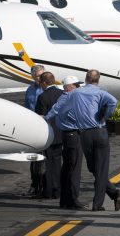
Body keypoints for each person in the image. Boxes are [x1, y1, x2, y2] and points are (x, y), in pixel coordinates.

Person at [70, 69, 120, 211]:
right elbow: (113, 101)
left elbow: (63, 107)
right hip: (100, 131)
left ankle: (100, 201)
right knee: (100, 169)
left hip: (85, 134)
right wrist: (105, 115)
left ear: (86, 79)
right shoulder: (100, 92)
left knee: (94, 168)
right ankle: (111, 193)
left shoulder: (76, 93)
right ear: (98, 80)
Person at [45, 75, 86, 210]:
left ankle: (65, 199)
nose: (78, 87)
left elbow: (54, 110)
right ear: (69, 87)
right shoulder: (69, 97)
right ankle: (73, 199)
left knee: (67, 168)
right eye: (76, 85)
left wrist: (45, 117)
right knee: (74, 169)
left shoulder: (64, 97)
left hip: (68, 135)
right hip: (73, 135)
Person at [35, 71, 63, 199]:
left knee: (47, 163)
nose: (39, 84)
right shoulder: (61, 94)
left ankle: (48, 190)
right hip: (61, 132)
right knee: (57, 163)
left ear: (45, 83)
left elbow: (39, 117)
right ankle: (57, 190)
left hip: (48, 134)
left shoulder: (43, 97)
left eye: (40, 82)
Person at [25, 64, 45, 197]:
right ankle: (34, 184)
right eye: (38, 76)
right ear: (33, 76)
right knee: (34, 158)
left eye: (42, 75)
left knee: (45, 158)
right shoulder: (29, 90)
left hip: (46, 125)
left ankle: (44, 185)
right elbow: (26, 108)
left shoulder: (47, 89)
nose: (40, 78)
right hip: (33, 127)